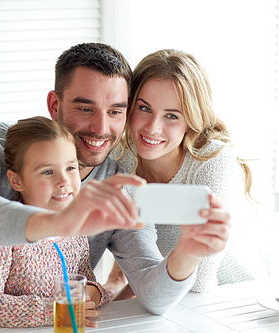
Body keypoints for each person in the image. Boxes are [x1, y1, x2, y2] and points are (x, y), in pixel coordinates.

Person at [0, 43, 231, 330]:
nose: (101, 128)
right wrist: (64, 221)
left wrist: (187, 254)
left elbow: (154, 296)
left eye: (116, 111)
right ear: (54, 105)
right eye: (85, 108)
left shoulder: (113, 182)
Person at [105, 49, 267, 299]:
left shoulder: (213, 161)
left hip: (235, 299)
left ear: (191, 120)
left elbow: (198, 280)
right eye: (144, 108)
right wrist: (113, 288)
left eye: (171, 115)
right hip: (170, 299)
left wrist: (122, 298)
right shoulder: (121, 159)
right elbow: (133, 240)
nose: (152, 128)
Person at [0, 117, 108, 328]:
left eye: (71, 168)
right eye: (48, 172)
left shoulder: (75, 230)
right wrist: (56, 311)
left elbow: (84, 280)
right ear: (16, 181)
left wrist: (91, 292)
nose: (64, 181)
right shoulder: (1, 232)